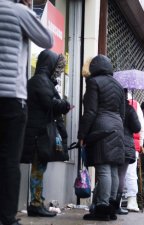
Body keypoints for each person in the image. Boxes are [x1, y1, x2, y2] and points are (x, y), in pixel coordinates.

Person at [0, 1, 53, 224]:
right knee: (9, 160)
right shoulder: (18, 11)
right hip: (11, 97)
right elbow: (47, 40)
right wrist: (26, 8)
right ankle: (7, 218)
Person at [21, 50, 70, 217]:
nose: (57, 70)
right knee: (38, 168)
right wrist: (64, 105)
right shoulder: (39, 82)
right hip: (37, 134)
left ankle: (37, 201)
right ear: (49, 64)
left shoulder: (41, 81)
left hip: (38, 132)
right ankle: (35, 204)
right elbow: (50, 104)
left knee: (39, 167)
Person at [78, 54, 125, 221]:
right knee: (112, 170)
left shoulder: (94, 82)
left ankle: (102, 208)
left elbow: (90, 111)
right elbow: (122, 113)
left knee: (103, 169)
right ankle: (110, 207)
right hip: (117, 128)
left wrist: (82, 134)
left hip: (101, 127)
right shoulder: (119, 86)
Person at [115, 89, 141, 215]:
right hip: (126, 145)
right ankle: (117, 204)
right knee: (123, 175)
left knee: (108, 173)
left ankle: (104, 202)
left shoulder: (111, 106)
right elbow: (137, 128)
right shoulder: (131, 108)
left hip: (111, 143)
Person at [125, 92, 144, 212]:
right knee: (131, 173)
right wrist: (141, 144)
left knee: (116, 172)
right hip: (133, 144)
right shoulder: (135, 105)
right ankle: (132, 201)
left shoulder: (113, 101)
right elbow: (141, 128)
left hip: (116, 142)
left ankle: (114, 199)